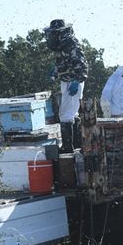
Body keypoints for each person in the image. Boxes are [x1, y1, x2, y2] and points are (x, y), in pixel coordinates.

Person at [44, 19, 88, 153]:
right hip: (67, 81)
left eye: (53, 34)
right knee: (72, 113)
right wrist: (56, 70)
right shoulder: (63, 45)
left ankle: (68, 147)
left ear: (60, 33)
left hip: (73, 82)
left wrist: (77, 80)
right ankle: (76, 144)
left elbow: (82, 65)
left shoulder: (71, 44)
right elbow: (65, 64)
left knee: (65, 114)